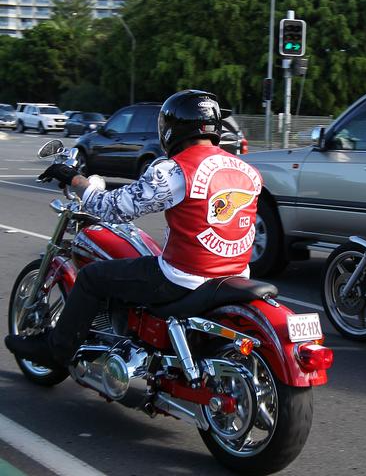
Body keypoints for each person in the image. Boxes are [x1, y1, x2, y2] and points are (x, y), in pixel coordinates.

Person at [5, 89, 262, 368]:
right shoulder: (247, 170)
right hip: (234, 274)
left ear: (174, 128)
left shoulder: (175, 171)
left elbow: (112, 208)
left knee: (92, 277)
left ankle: (55, 351)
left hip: (182, 278)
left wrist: (76, 180)